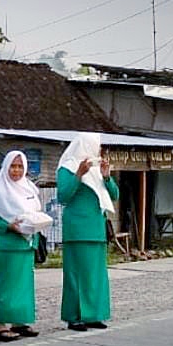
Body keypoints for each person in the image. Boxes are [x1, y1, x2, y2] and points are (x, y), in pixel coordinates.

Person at [57, 132, 119, 332]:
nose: (98, 151)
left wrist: (107, 176)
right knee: (76, 275)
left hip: (96, 230)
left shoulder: (97, 170)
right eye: (95, 147)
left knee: (95, 276)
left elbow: (114, 195)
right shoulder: (67, 167)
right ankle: (74, 317)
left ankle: (93, 315)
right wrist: (78, 175)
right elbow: (63, 196)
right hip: (77, 230)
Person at [0, 151, 44, 342]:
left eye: (20, 166)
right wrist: (7, 226)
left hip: (27, 243)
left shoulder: (29, 189)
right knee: (6, 285)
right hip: (8, 244)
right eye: (13, 166)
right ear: (5, 167)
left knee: (24, 285)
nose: (16, 170)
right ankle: (0, 325)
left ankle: (20, 321)